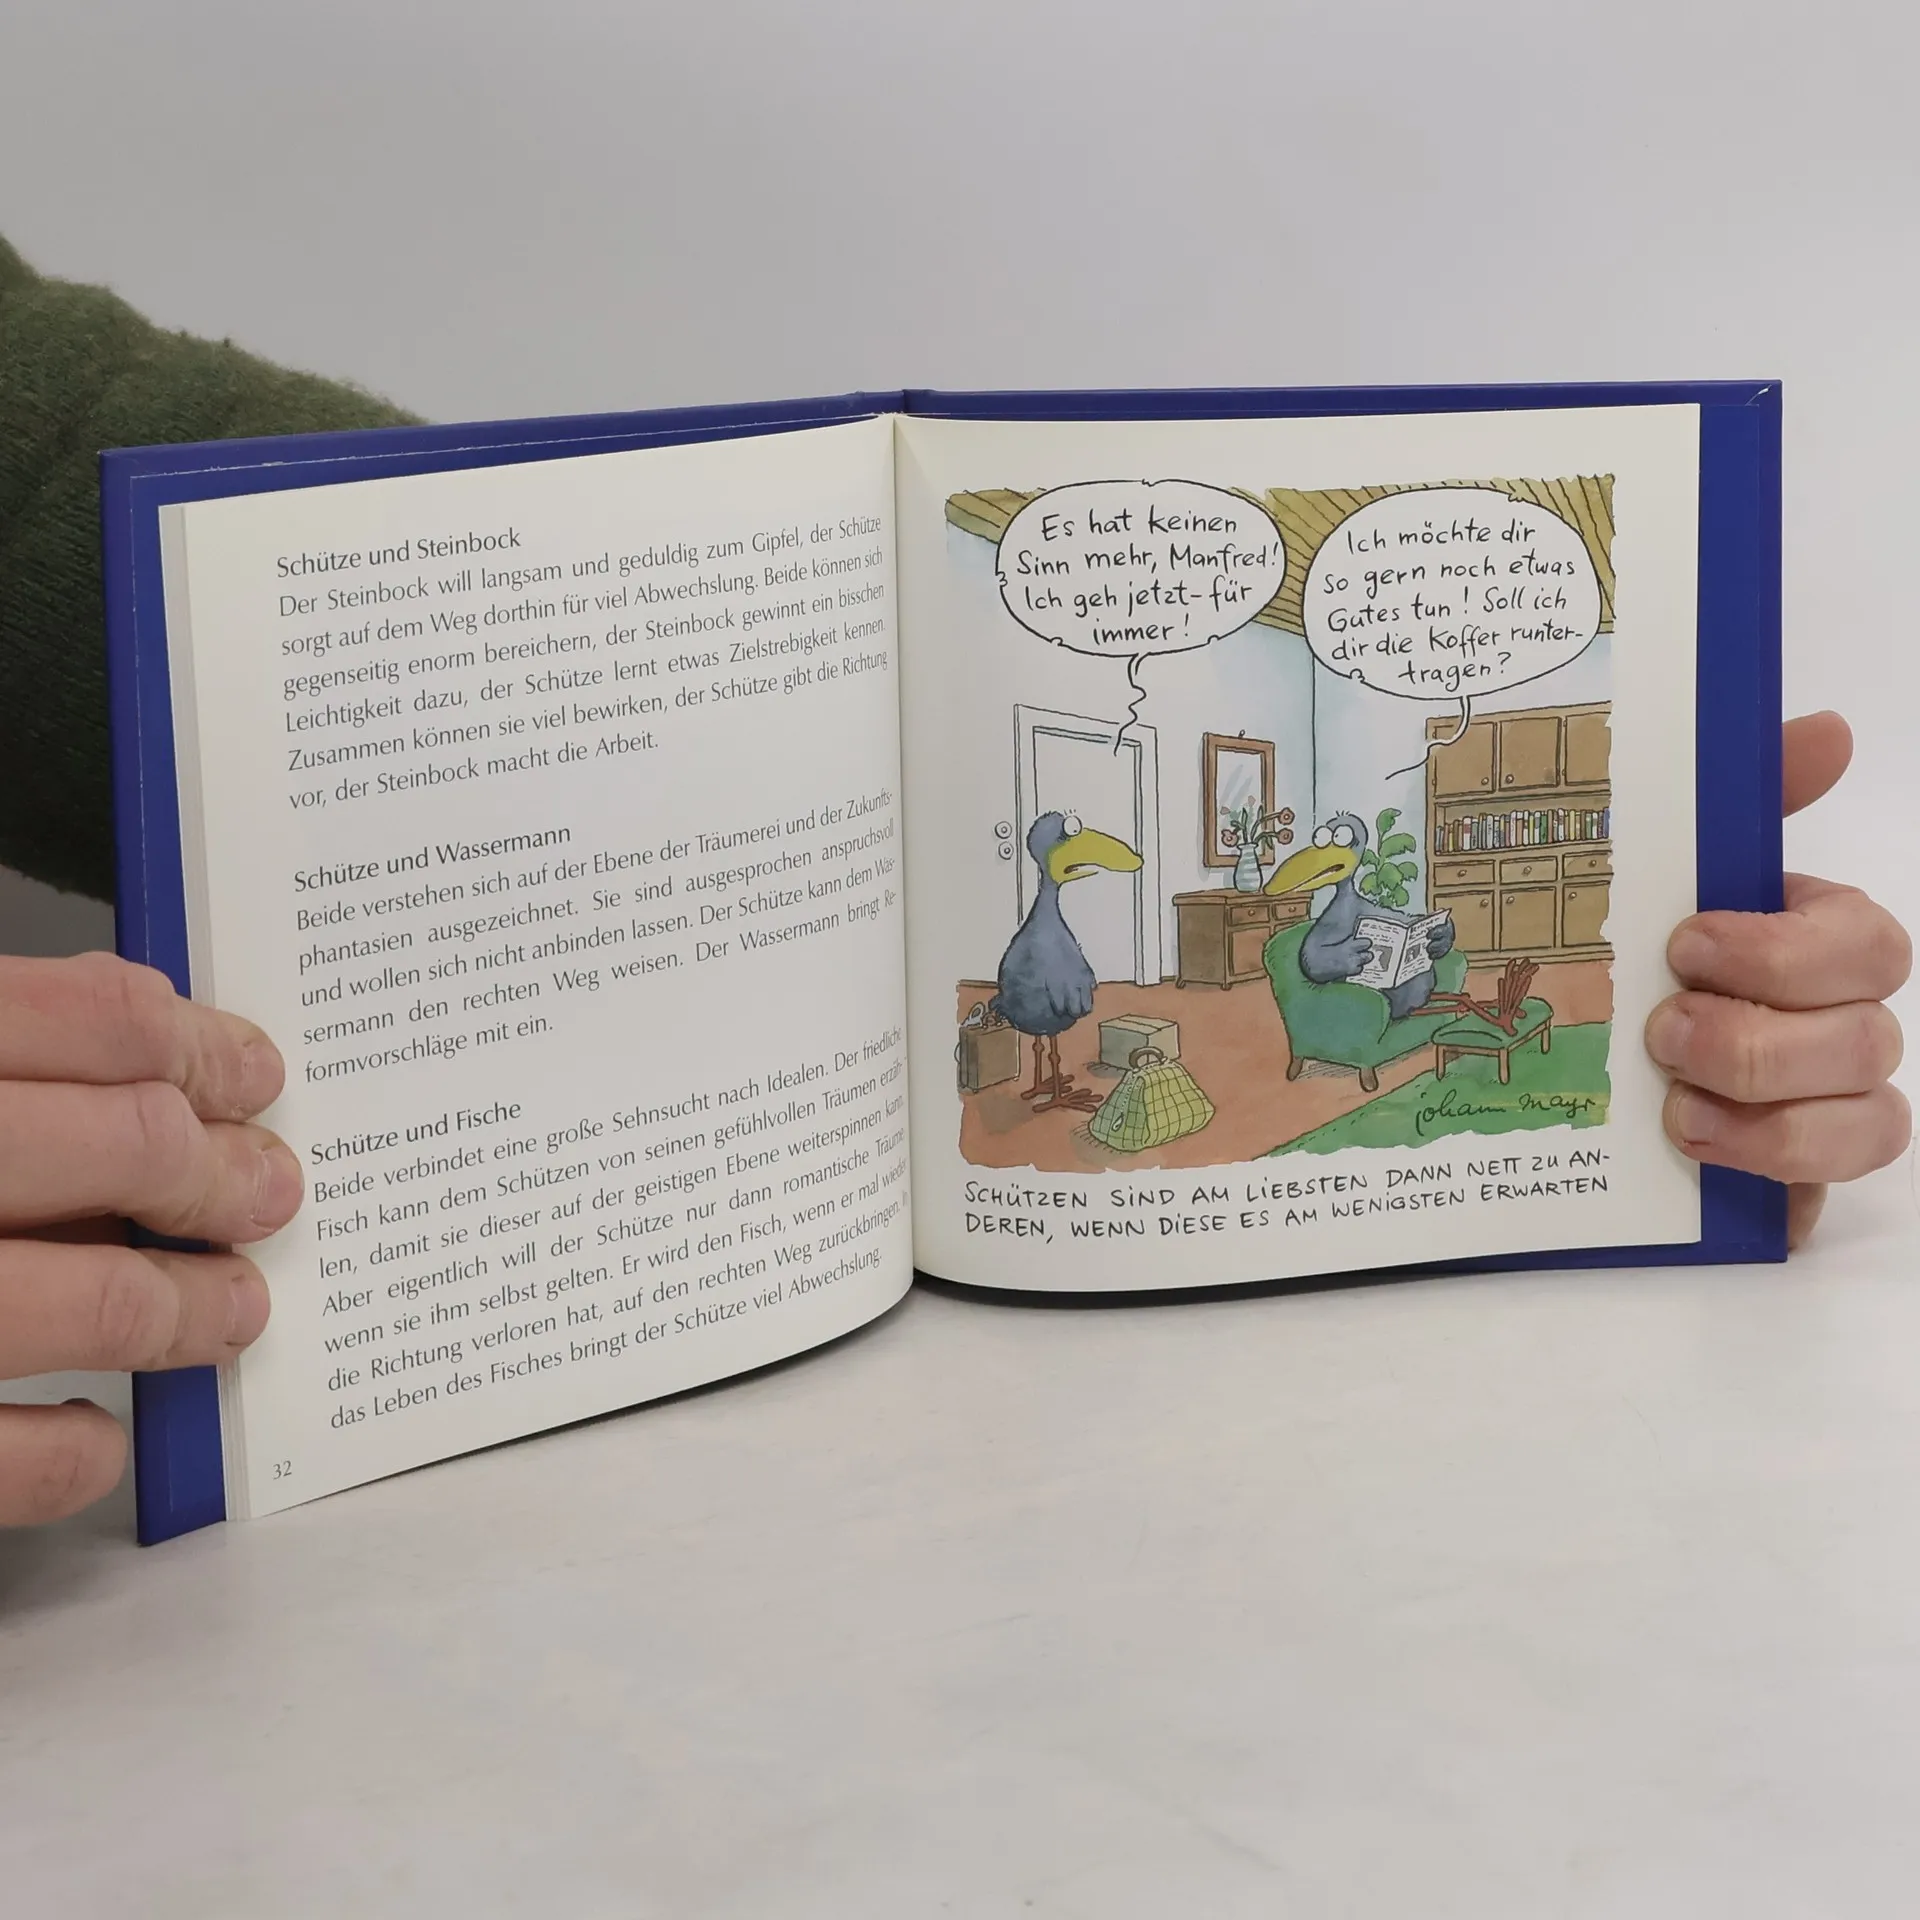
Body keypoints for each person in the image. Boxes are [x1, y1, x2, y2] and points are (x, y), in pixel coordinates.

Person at [0, 248, 1910, 1527]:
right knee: (1061, 996)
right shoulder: (1172, 927)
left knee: (1090, 998)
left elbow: (77, 505)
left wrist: (1668, 1052)